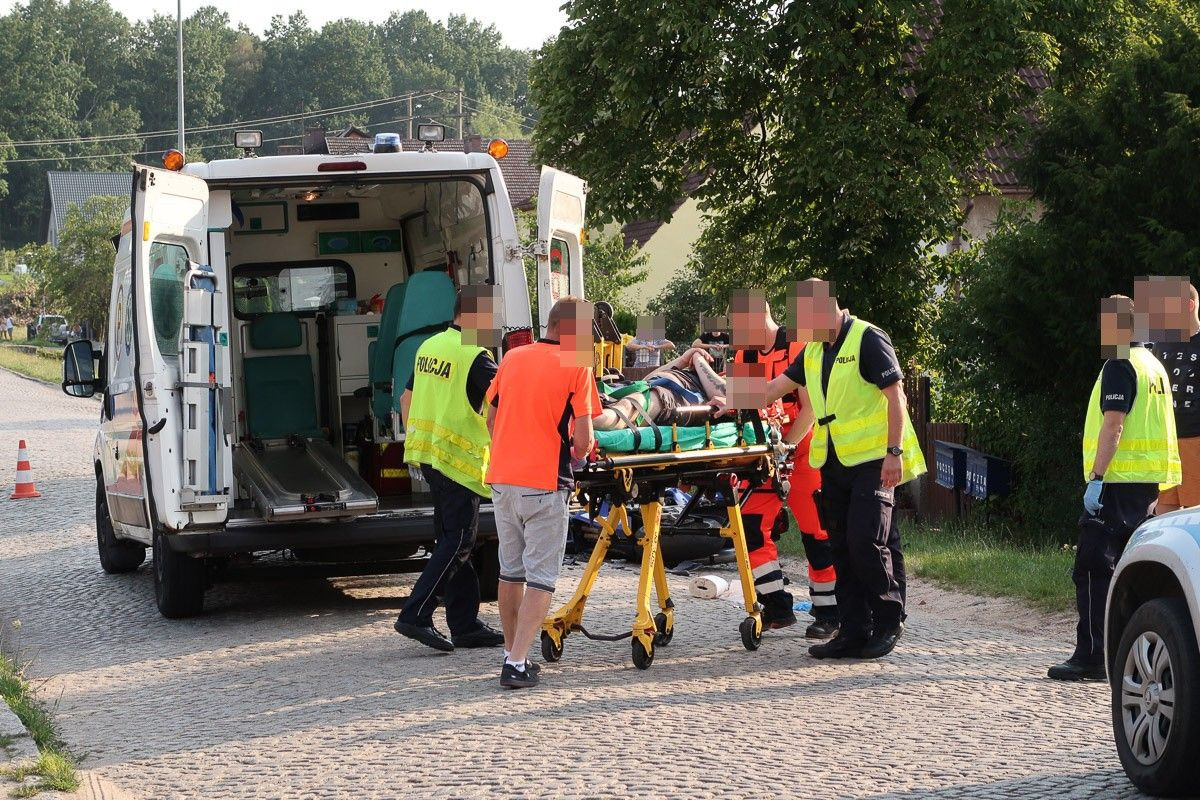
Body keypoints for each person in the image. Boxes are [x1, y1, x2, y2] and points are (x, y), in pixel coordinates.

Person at [733, 279, 925, 660]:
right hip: (834, 462)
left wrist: (893, 452)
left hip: (875, 459)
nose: (799, 330)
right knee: (840, 545)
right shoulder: (815, 352)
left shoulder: (868, 338)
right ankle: (852, 630)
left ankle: (888, 620)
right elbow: (770, 391)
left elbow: (896, 397)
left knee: (865, 540)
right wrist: (714, 381)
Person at [1048, 294, 1181, 680]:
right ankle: (1127, 656)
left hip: (1117, 484)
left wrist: (1097, 477)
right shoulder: (1155, 366)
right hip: (1147, 487)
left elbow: (1115, 424)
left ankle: (1092, 656)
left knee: (1092, 567)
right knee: (1131, 571)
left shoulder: (1120, 363)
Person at [486, 296, 600, 689]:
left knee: (510, 571)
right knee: (541, 578)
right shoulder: (577, 364)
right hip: (543, 483)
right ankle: (516, 664)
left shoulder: (513, 358)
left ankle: (511, 652)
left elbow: (492, 416)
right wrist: (577, 451)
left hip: (502, 480)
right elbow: (583, 439)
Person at [393, 287, 505, 653]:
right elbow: (506, 406)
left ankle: (465, 624)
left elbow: (405, 399)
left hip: (430, 456)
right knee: (459, 541)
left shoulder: (431, 346)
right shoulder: (476, 356)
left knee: (454, 542)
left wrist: (419, 441)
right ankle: (416, 614)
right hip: (459, 461)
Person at [726, 292, 839, 638]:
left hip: (803, 449)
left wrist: (787, 447)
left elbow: (810, 408)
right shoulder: (743, 354)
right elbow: (742, 409)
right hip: (766, 452)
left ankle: (829, 612)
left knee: (816, 531)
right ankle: (776, 604)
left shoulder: (797, 346)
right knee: (749, 526)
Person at [1147, 280, 1200, 514]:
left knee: (1194, 512)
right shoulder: (1160, 343)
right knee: (1164, 511)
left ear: (1188, 306)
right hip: (1164, 441)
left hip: (1195, 439)